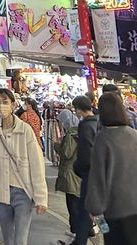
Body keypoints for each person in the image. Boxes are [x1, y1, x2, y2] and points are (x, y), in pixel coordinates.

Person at [0, 88, 47, 245]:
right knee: (8, 239)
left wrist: (41, 197)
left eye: (5, 102)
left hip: (22, 192)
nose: (2, 106)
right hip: (2, 191)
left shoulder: (25, 130)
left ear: (13, 105)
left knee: (20, 239)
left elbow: (37, 164)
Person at [86, 92, 137, 244]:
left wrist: (94, 207)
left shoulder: (103, 139)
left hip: (115, 209)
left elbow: (98, 177)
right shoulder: (134, 135)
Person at [71, 94, 98, 245]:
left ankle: (80, 241)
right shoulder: (98, 122)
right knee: (94, 207)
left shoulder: (85, 125)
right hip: (100, 171)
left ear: (79, 110)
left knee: (85, 208)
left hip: (89, 173)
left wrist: (78, 168)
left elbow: (85, 152)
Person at [54, 107, 81, 242]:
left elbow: (66, 153)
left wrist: (56, 145)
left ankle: (77, 232)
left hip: (70, 173)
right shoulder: (81, 131)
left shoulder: (71, 134)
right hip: (76, 174)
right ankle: (78, 230)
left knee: (73, 204)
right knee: (76, 203)